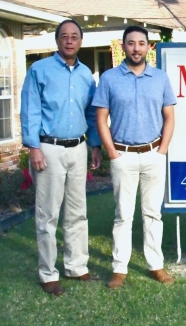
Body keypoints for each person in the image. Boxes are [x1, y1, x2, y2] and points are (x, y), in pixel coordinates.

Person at [21, 19, 102, 296]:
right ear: (57, 41)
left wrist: (94, 145)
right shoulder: (39, 70)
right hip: (49, 149)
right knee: (48, 215)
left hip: (78, 148)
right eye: (64, 36)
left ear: (81, 41)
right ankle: (48, 274)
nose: (69, 41)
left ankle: (77, 267)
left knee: (77, 213)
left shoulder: (86, 76)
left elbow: (91, 113)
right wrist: (34, 147)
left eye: (75, 36)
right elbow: (30, 109)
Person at [92, 26, 176, 289]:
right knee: (122, 215)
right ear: (124, 46)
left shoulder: (160, 78)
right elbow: (101, 118)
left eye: (141, 43)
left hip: (153, 153)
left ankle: (156, 265)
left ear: (148, 47)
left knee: (153, 214)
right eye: (131, 43)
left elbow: (170, 117)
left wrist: (162, 150)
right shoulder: (109, 78)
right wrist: (112, 153)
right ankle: (119, 269)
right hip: (123, 155)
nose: (136, 48)